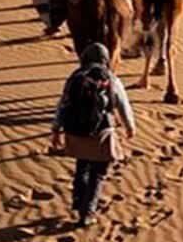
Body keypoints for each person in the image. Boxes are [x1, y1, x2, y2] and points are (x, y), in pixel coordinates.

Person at [50, 42, 137, 227]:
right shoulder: (111, 79)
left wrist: (56, 129)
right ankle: (87, 212)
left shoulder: (75, 77)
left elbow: (63, 104)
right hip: (102, 133)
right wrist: (130, 127)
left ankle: (77, 200)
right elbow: (123, 104)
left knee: (82, 167)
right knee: (98, 174)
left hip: (76, 132)